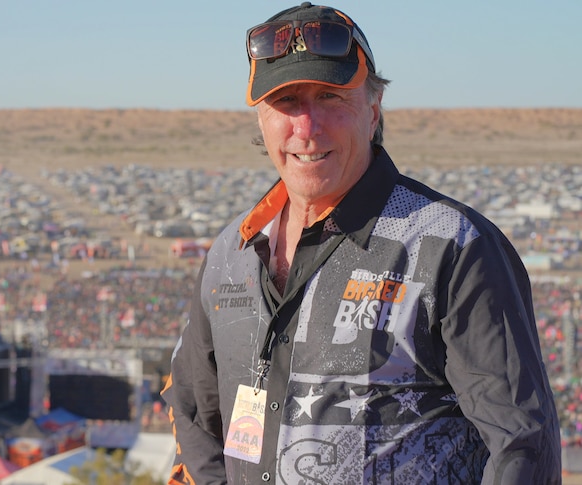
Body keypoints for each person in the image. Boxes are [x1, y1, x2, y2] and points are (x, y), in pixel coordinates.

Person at [161, 2, 562, 484]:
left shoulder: (451, 247)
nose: (306, 127)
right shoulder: (232, 254)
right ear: (261, 122)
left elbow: (521, 445)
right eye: (286, 103)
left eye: (331, 97)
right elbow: (191, 409)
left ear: (373, 112)